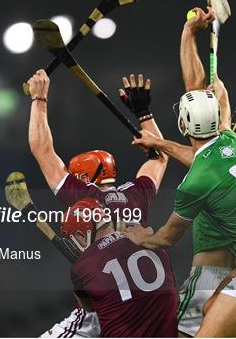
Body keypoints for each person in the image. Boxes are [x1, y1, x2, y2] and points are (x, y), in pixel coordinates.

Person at [123, 75, 236, 337]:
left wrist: (142, 238)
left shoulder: (195, 183)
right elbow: (221, 120)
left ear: (184, 126)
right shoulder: (231, 141)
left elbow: (168, 237)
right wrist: (220, 88)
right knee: (212, 309)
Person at [152, 6, 236, 337]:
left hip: (213, 271)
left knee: (181, 331)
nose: (231, 123)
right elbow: (200, 93)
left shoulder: (222, 159)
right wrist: (189, 38)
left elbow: (195, 94)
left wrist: (188, 34)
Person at [28, 71, 171, 337]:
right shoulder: (136, 196)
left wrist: (39, 99)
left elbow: (42, 149)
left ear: (83, 176)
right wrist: (144, 113)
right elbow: (160, 156)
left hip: (100, 310)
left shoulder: (83, 197)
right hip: (142, 309)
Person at [50, 198, 179, 337]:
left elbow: (87, 311)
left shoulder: (83, 266)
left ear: (81, 236)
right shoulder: (153, 244)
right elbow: (174, 297)